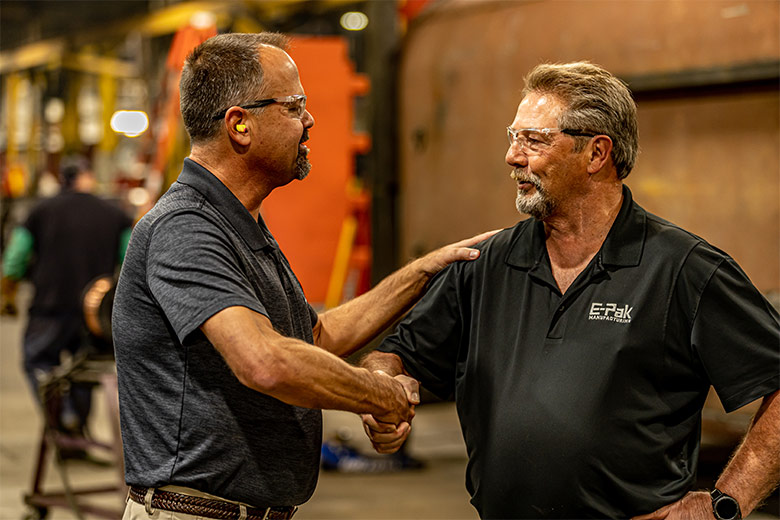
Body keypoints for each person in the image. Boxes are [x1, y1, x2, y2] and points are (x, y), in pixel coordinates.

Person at [360, 61, 780, 519]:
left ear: (596, 154)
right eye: (512, 136)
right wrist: (382, 388)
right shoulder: (485, 264)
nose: (512, 156)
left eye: (534, 140)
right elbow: (398, 354)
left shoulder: (684, 269)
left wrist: (725, 503)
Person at [111, 32, 494, 520]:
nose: (309, 121)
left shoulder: (241, 223)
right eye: (294, 107)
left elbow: (313, 338)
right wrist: (378, 395)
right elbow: (264, 360)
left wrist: (421, 272)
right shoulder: (185, 227)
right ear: (240, 125)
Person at [1, 157, 132, 441]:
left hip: (50, 305)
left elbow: (15, 259)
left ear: (63, 179)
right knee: (84, 367)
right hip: (94, 312)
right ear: (89, 177)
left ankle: (58, 417)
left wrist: (8, 291)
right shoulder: (113, 213)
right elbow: (131, 260)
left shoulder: (41, 210)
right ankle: (75, 422)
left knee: (37, 359)